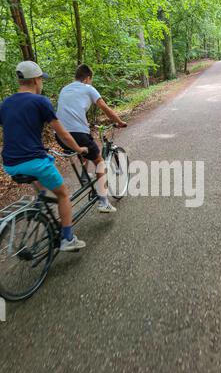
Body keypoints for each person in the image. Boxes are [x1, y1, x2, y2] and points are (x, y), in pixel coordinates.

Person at [0, 61, 88, 252]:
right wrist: (79, 149)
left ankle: (40, 203)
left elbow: (14, 128)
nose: (42, 83)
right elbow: (63, 134)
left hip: (10, 165)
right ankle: (68, 239)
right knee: (63, 193)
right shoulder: (40, 101)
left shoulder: (5, 103)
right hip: (34, 163)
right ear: (35, 80)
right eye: (41, 79)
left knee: (43, 187)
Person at [56, 64, 127, 213]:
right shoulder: (88, 88)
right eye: (91, 80)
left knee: (85, 149)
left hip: (61, 136)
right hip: (77, 134)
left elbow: (69, 112)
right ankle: (103, 201)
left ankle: (83, 176)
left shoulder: (65, 89)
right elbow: (105, 107)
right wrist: (119, 122)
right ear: (87, 78)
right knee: (100, 162)